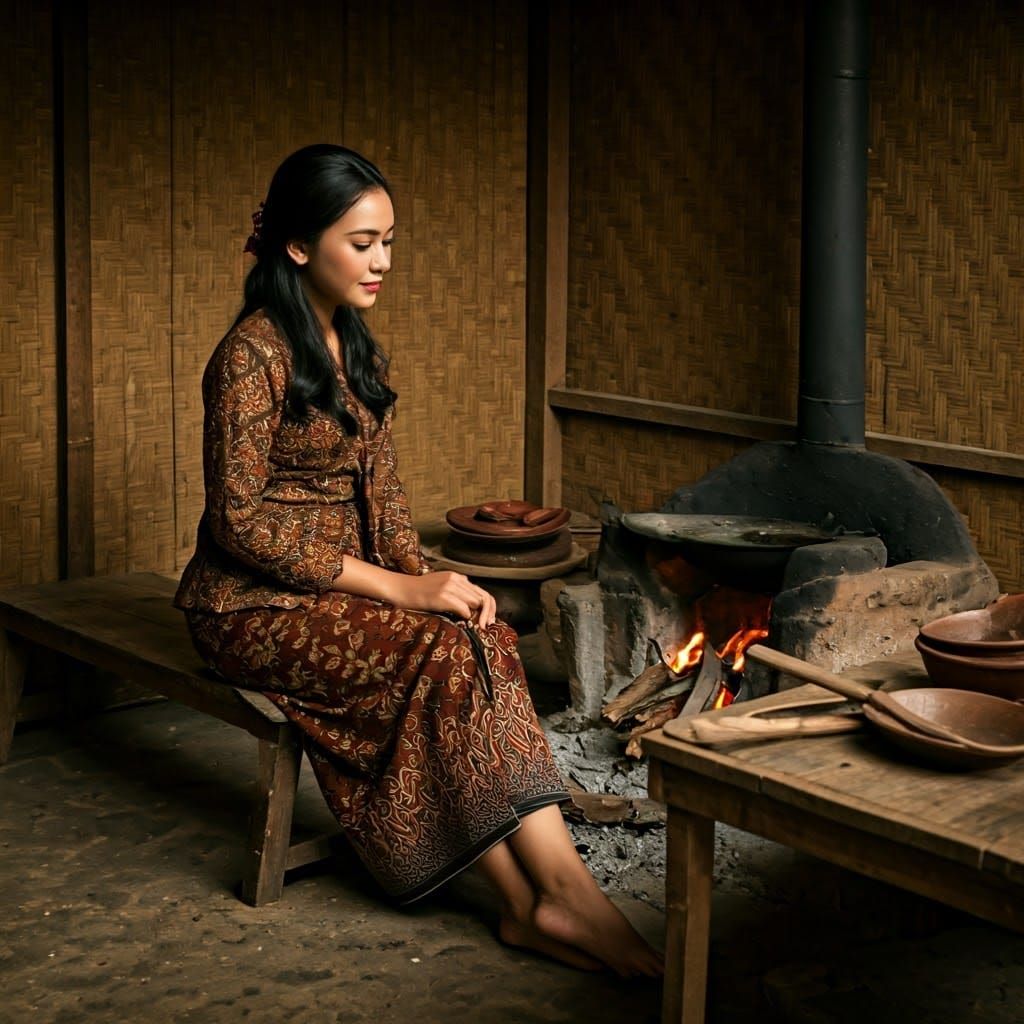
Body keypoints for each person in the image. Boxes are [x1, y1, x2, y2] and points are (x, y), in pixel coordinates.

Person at [175, 143, 662, 978]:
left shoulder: (356, 347)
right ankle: (558, 898)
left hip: (344, 594)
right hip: (247, 607)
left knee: (483, 636)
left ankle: (543, 902)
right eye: (362, 243)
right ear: (298, 245)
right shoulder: (250, 356)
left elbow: (388, 498)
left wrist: (439, 582)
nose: (383, 262)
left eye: (389, 242)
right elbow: (238, 524)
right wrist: (399, 588)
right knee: (438, 655)